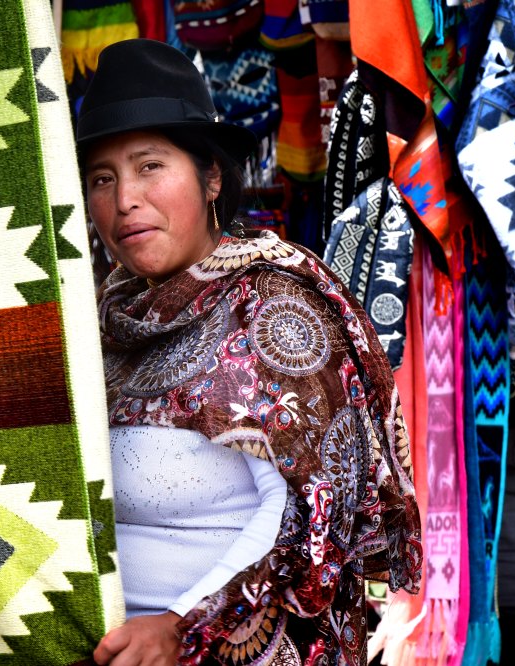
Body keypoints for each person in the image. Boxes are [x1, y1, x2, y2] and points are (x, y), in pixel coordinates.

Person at [76, 39, 421, 666]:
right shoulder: (103, 322)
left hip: (240, 644)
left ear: (211, 177)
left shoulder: (274, 307)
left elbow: (311, 507)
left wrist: (181, 624)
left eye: (149, 166)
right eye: (103, 178)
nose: (124, 199)